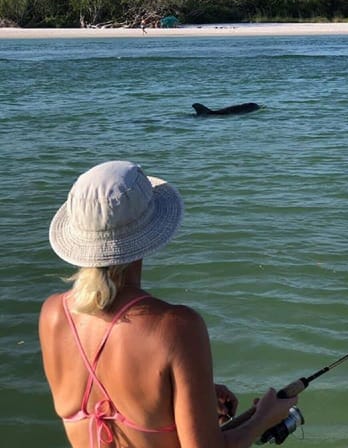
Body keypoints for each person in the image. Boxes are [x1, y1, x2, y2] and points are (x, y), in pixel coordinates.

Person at [39, 160, 297, 448]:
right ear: (148, 232)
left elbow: (114, 394)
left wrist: (191, 391)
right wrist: (264, 417)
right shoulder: (177, 327)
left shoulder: (52, 314)